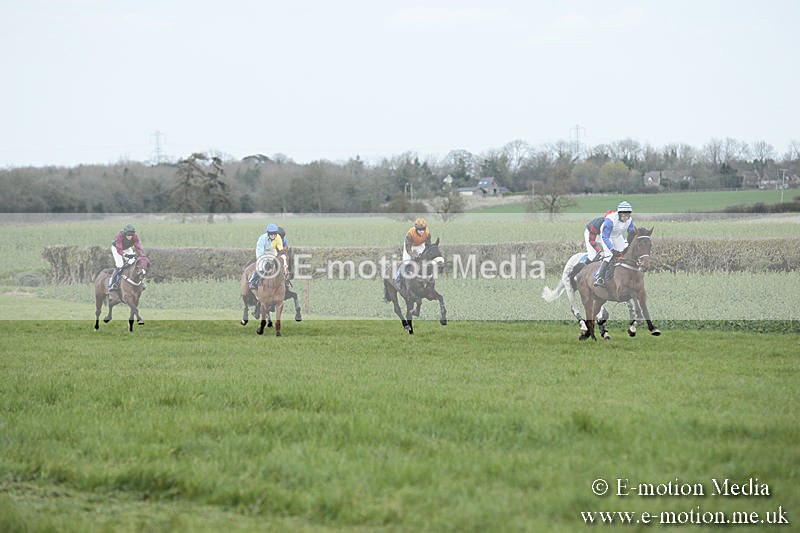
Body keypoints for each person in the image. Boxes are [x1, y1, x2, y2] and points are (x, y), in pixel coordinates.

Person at [594, 201, 636, 287]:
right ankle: (599, 277)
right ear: (619, 214)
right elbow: (605, 237)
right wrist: (612, 249)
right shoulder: (610, 220)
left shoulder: (630, 220)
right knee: (609, 255)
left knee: (623, 252)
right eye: (624, 215)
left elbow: (631, 234)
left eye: (627, 215)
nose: (626, 218)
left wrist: (629, 244)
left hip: (617, 236)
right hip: (607, 237)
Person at [250, 223, 289, 288]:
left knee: (280, 261)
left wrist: (282, 254)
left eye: (275, 234)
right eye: (271, 234)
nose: (273, 236)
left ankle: (285, 280)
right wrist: (264, 260)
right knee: (261, 266)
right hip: (262, 251)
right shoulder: (262, 239)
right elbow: (260, 252)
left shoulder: (278, 237)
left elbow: (280, 248)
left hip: (272, 250)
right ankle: (253, 281)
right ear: (268, 234)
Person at [396, 217, 431, 287]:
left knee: (425, 259)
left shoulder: (427, 233)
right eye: (419, 230)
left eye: (423, 229)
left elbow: (428, 246)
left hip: (420, 244)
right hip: (410, 245)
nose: (422, 231)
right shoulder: (410, 234)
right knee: (406, 262)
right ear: (416, 229)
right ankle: (399, 277)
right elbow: (408, 249)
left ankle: (427, 275)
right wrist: (413, 255)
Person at [109, 223, 144, 290]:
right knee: (120, 265)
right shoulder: (120, 235)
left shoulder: (135, 236)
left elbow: (138, 247)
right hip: (116, 248)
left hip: (127, 248)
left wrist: (142, 254)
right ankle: (113, 283)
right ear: (125, 233)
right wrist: (125, 255)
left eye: (131, 235)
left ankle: (139, 282)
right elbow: (119, 249)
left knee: (133, 262)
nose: (130, 236)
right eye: (128, 235)